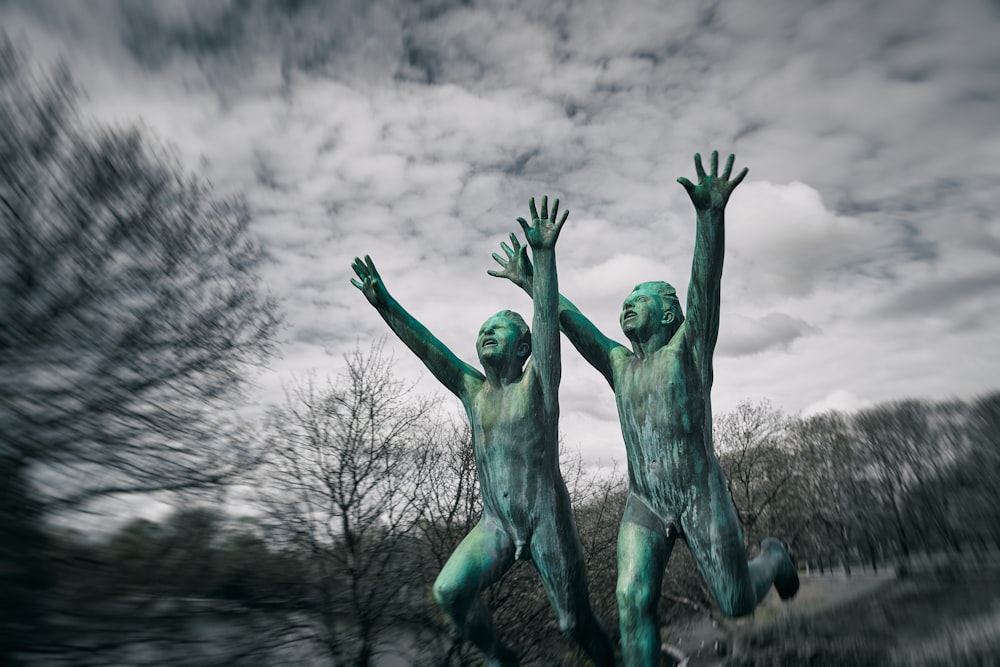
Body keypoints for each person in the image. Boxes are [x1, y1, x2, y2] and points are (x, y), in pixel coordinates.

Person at [489, 153, 800, 666]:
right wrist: (533, 282)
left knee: (738, 601)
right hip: (645, 504)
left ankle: (773, 557)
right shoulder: (619, 364)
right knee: (632, 602)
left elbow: (707, 285)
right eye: (626, 299)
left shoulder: (689, 351)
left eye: (642, 298)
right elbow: (575, 324)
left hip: (700, 496)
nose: (628, 304)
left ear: (670, 311)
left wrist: (709, 219)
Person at [351, 197, 614, 667]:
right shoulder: (473, 391)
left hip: (547, 523)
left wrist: (545, 259)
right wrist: (385, 304)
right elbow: (429, 349)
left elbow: (548, 324)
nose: (486, 334)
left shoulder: (538, 385)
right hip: (495, 525)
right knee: (449, 591)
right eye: (483, 330)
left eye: (499, 329)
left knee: (574, 623)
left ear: (524, 347)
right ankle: (503, 659)